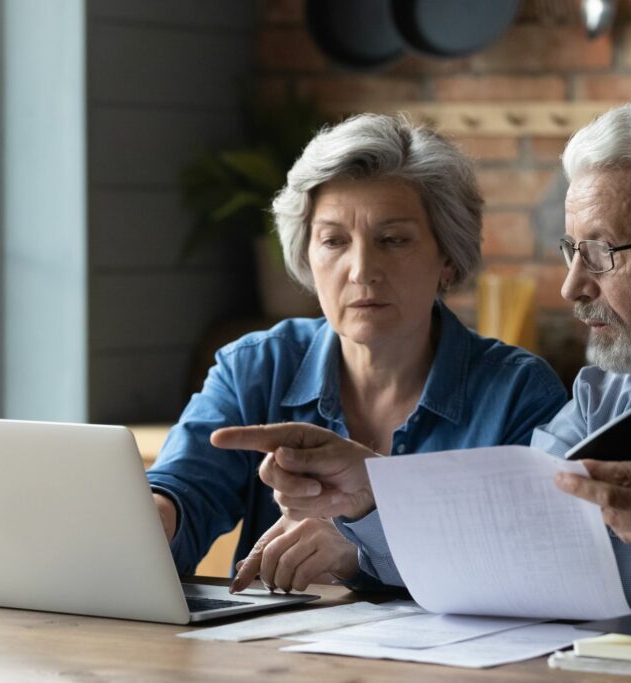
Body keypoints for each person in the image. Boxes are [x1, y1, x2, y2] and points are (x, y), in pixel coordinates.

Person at [213, 101, 631, 633]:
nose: (573, 287)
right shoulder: (599, 401)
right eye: (568, 252)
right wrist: (370, 492)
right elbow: (495, 543)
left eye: (600, 254)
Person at [145, 113, 567, 593]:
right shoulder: (256, 368)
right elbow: (185, 491)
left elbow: (534, 562)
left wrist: (365, 549)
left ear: (447, 257)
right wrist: (155, 521)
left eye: (393, 240)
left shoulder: (519, 394)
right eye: (334, 241)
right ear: (307, 256)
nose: (362, 270)